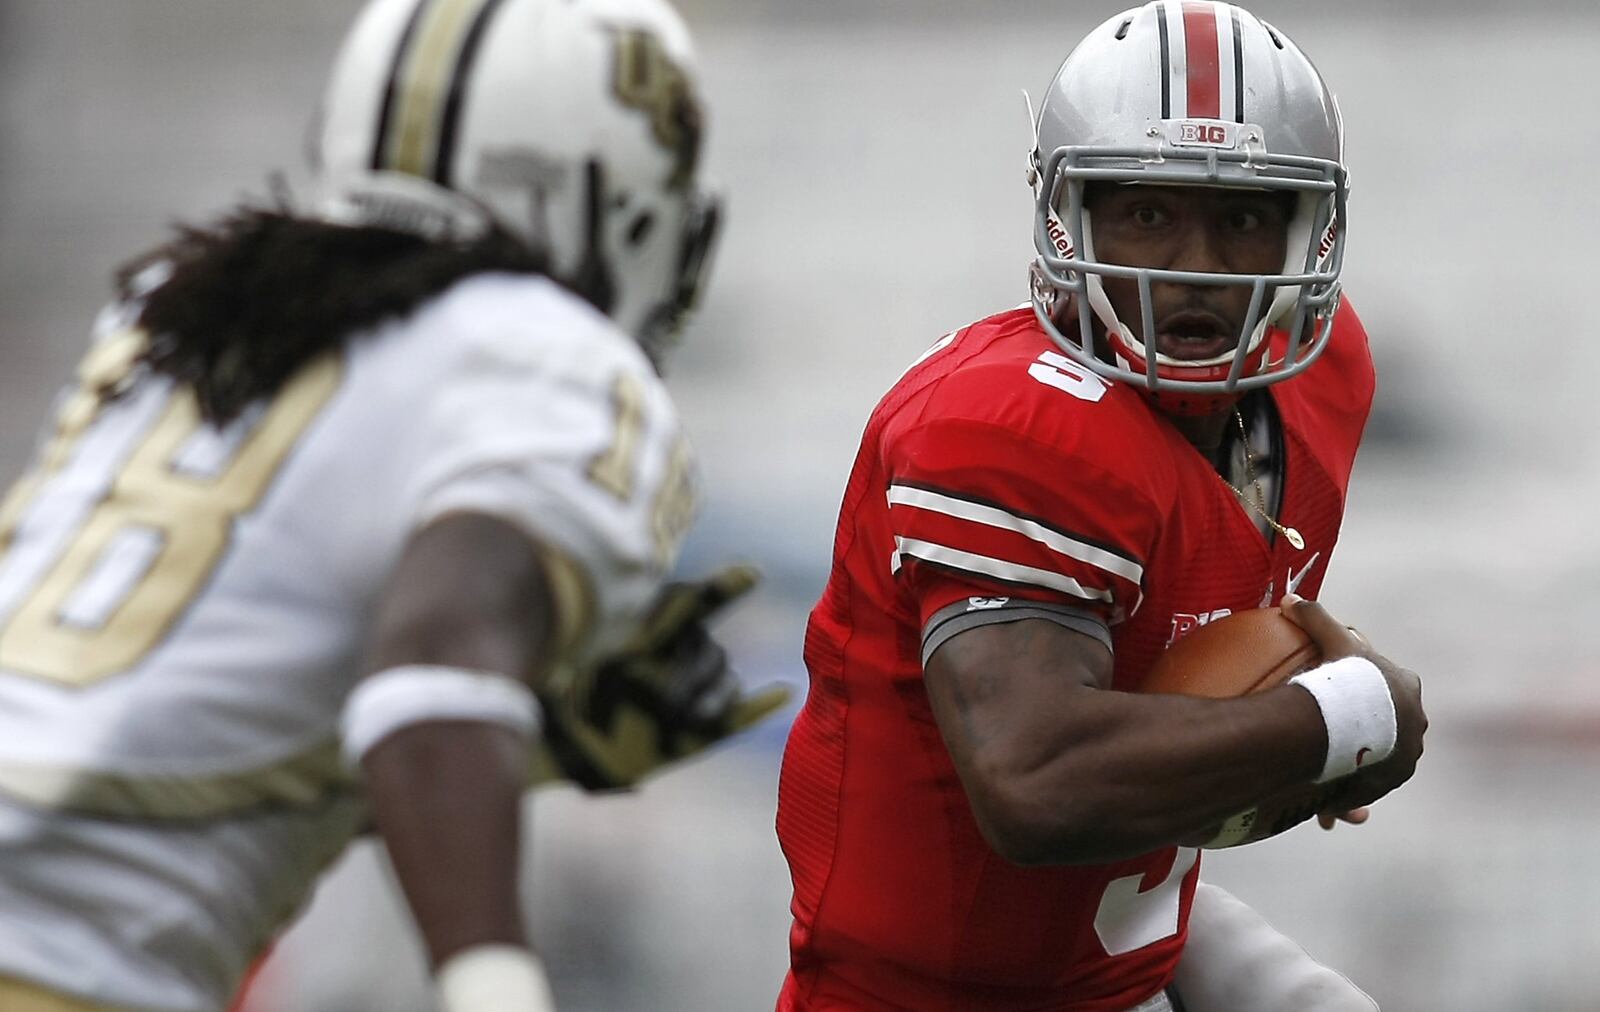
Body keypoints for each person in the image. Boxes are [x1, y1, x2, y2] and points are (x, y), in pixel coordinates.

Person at [0, 0, 784, 1009]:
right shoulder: (552, 358)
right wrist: (493, 984)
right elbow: (432, 676)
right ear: (615, 199)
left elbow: (188, 716)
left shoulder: (170, 313)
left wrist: (496, 746)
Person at [774, 3, 1426, 1011]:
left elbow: (1157, 772)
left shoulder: (1321, 385)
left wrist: (1240, 970)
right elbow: (1039, 782)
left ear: (1310, 230)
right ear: (1063, 214)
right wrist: (1344, 715)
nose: (1197, 266)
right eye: (1149, 212)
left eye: (1243, 218)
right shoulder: (1008, 429)